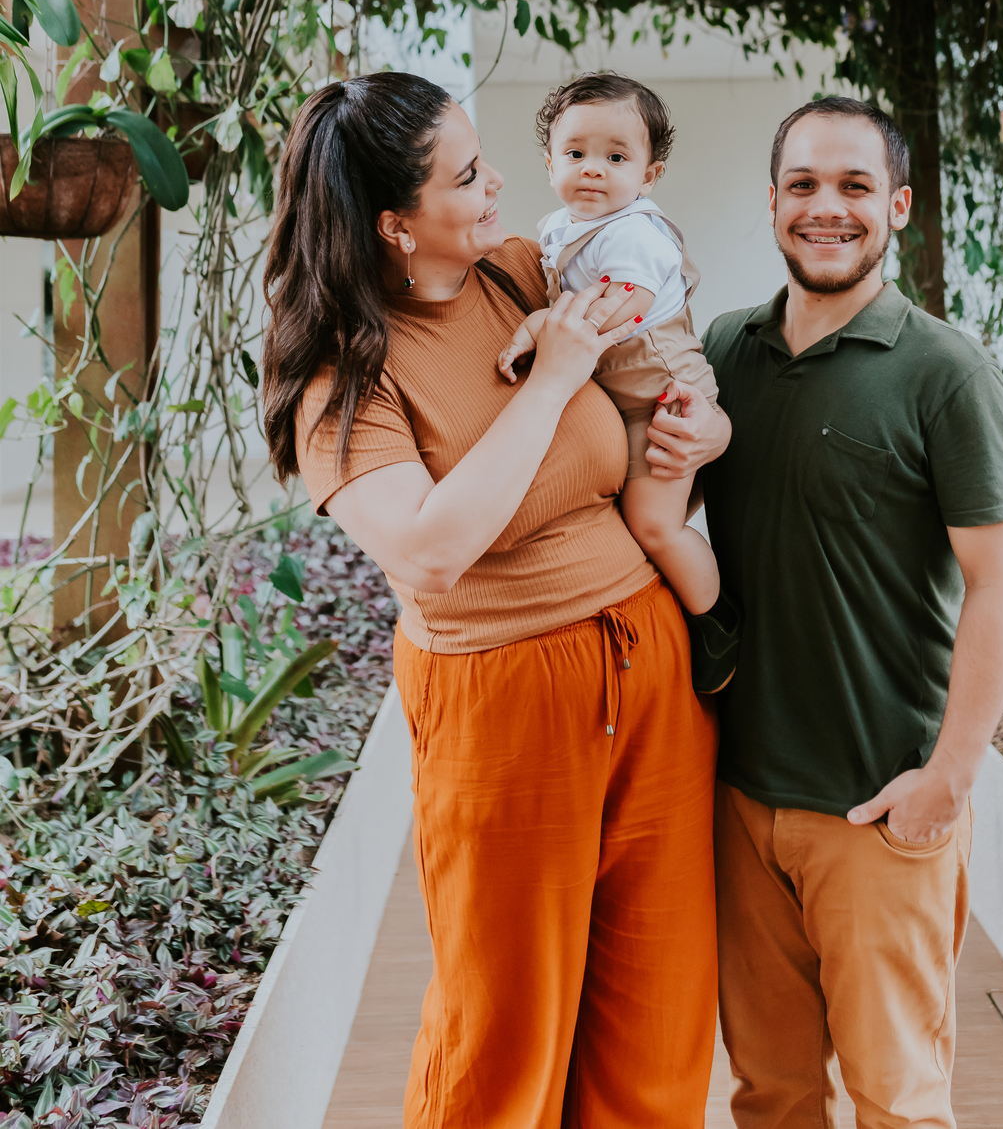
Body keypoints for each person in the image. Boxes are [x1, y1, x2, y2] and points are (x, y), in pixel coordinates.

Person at [259, 72, 730, 1129]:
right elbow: (429, 551)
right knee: (503, 1032)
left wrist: (708, 432)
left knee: (658, 1011)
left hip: (650, 667)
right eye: (467, 176)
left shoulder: (523, 272)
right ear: (394, 225)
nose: (501, 184)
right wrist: (555, 379)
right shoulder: (345, 379)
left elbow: (665, 360)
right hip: (503, 698)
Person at [701, 95, 1003, 1129]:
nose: (826, 208)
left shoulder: (946, 372)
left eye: (853, 187)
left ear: (895, 205)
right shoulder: (725, 350)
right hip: (742, 796)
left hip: (879, 808)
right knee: (772, 1094)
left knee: (898, 1098)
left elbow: (1000, 583)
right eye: (803, 184)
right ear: (770, 203)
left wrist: (948, 780)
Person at [497, 71, 721, 614]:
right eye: (575, 153)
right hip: (623, 400)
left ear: (649, 175)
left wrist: (535, 329)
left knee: (654, 525)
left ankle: (716, 620)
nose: (592, 167)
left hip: (662, 400)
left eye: (616, 158)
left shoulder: (635, 232)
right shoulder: (558, 227)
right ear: (551, 166)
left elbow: (623, 308)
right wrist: (532, 329)